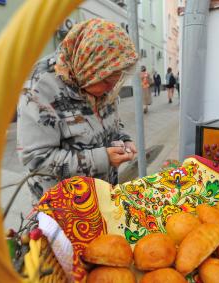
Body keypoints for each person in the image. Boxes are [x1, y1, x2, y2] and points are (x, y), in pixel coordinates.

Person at [17, 19, 139, 201]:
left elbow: (110, 121)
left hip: (102, 194)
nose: (109, 90)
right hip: (65, 206)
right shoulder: (39, 89)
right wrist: (103, 159)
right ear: (87, 65)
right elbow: (37, 160)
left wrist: (123, 138)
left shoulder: (99, 77)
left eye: (115, 83)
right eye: (106, 81)